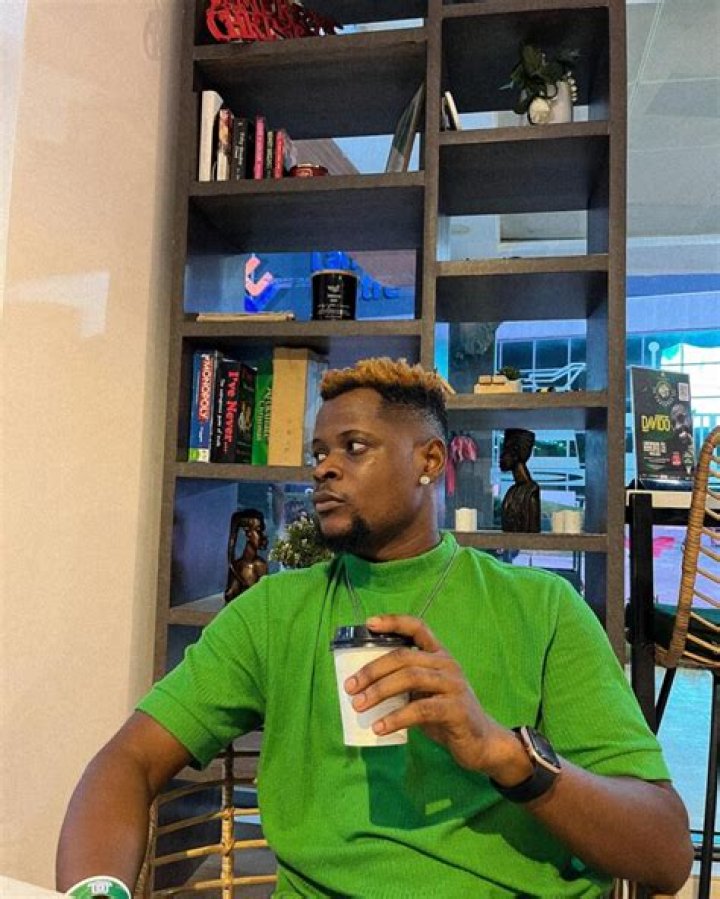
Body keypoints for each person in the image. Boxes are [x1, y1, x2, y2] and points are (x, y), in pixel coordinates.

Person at [56, 358, 693, 897]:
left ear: (429, 461)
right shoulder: (273, 612)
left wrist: (504, 753)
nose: (324, 468)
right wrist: (96, 892)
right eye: (319, 453)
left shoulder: (541, 608)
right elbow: (128, 760)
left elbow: (664, 853)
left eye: (354, 448)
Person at [499, 427, 541, 533]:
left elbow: (532, 533)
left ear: (515, 455)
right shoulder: (512, 490)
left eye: (505, 450)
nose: (501, 456)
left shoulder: (531, 491)